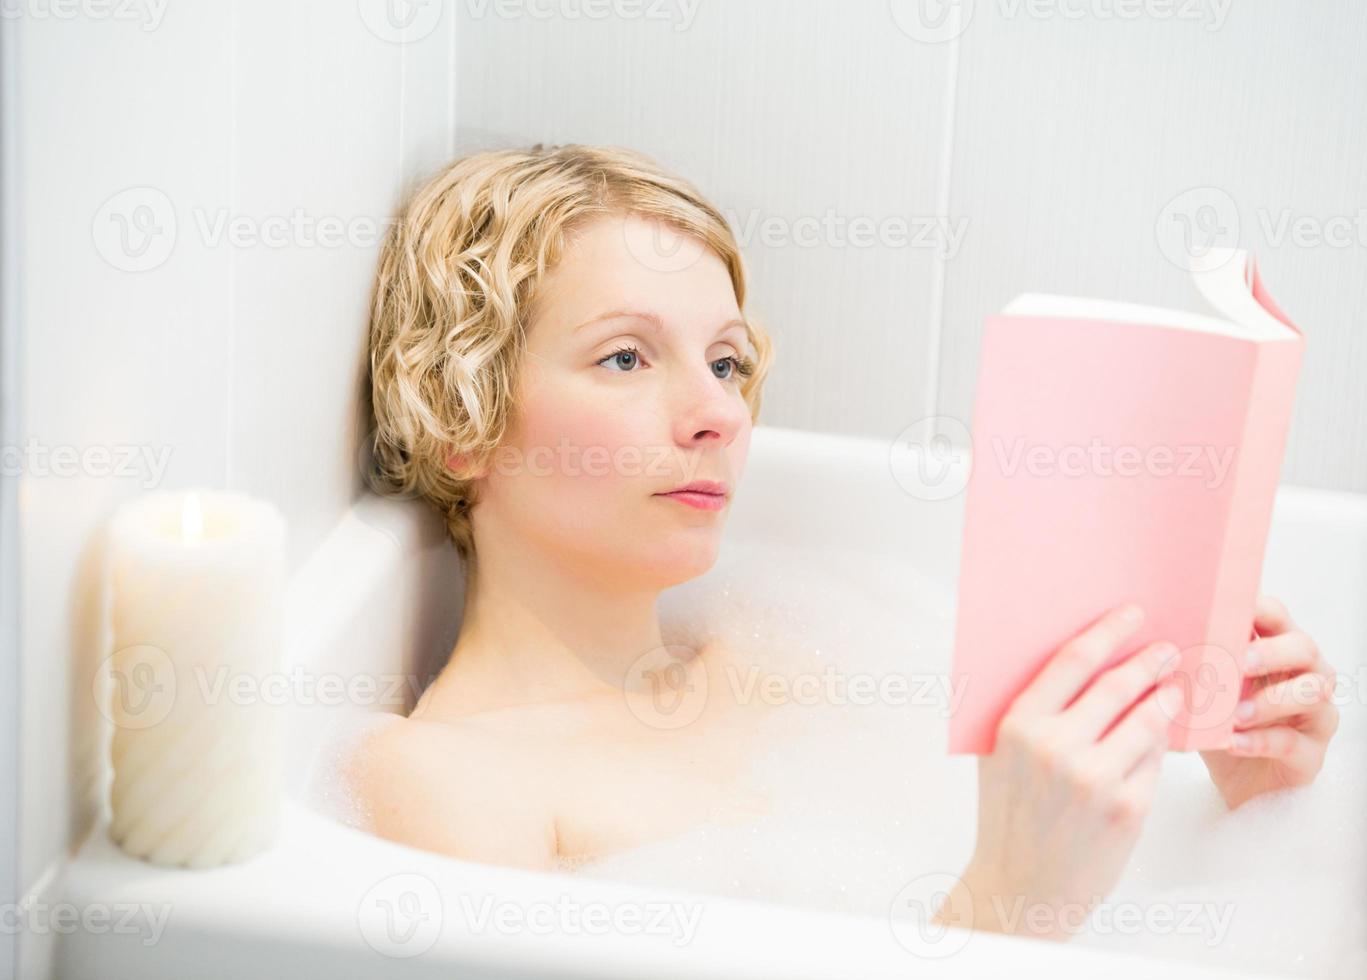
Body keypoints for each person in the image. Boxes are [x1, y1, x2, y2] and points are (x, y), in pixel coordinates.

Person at [352, 143, 1340, 941]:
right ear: (460, 414)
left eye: (727, 361)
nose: (716, 413)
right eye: (624, 354)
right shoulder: (446, 779)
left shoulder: (787, 656)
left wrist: (1242, 804)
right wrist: (1006, 902)